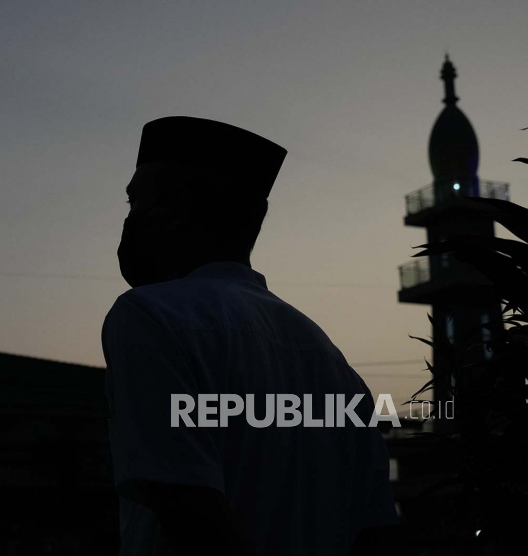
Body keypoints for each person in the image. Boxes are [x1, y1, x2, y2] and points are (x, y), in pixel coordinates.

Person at [102, 116, 399, 555]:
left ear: (174, 210)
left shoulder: (151, 316)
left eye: (135, 203)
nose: (129, 222)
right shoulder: (332, 363)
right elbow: (377, 536)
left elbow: (192, 515)